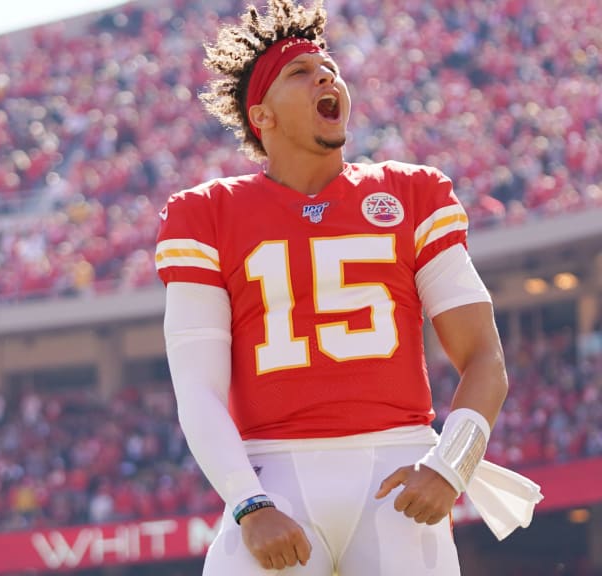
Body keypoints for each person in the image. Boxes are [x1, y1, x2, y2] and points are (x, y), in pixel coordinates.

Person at [155, 1, 540, 574]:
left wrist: (449, 465)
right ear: (262, 117)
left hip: (399, 464)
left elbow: (485, 356)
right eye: (300, 73)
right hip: (272, 474)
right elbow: (197, 390)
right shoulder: (206, 213)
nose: (326, 76)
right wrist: (247, 501)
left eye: (328, 66)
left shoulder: (413, 194)